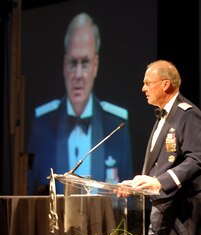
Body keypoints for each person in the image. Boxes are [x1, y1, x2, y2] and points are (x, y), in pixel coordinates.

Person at [118, 60, 201, 235]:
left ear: (166, 84)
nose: (143, 88)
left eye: (147, 83)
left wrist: (161, 182)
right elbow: (158, 166)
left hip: (181, 212)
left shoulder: (189, 114)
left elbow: (197, 158)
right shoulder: (162, 117)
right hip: (158, 210)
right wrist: (136, 184)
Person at [27, 12, 133, 195]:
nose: (77, 74)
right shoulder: (42, 124)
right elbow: (30, 190)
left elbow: (128, 196)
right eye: (72, 63)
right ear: (64, 65)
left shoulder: (116, 125)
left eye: (85, 63)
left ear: (95, 66)